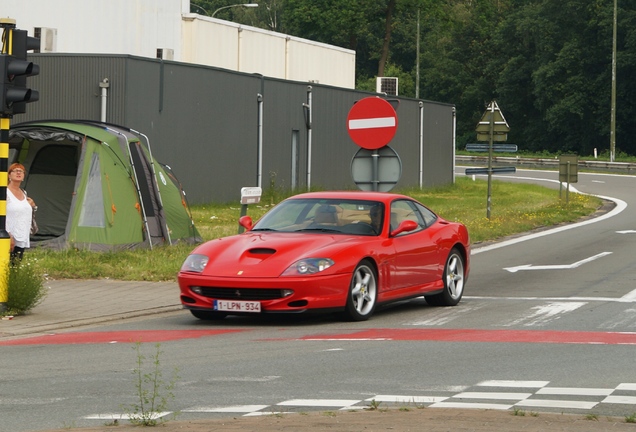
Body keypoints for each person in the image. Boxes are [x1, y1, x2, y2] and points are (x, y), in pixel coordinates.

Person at [6, 163, 37, 262]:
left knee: (16, 264)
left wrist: (33, 206)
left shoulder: (24, 193)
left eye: (21, 171)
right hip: (8, 235)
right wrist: (8, 234)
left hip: (21, 236)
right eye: (15, 170)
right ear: (9, 175)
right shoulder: (5, 192)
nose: (18, 172)